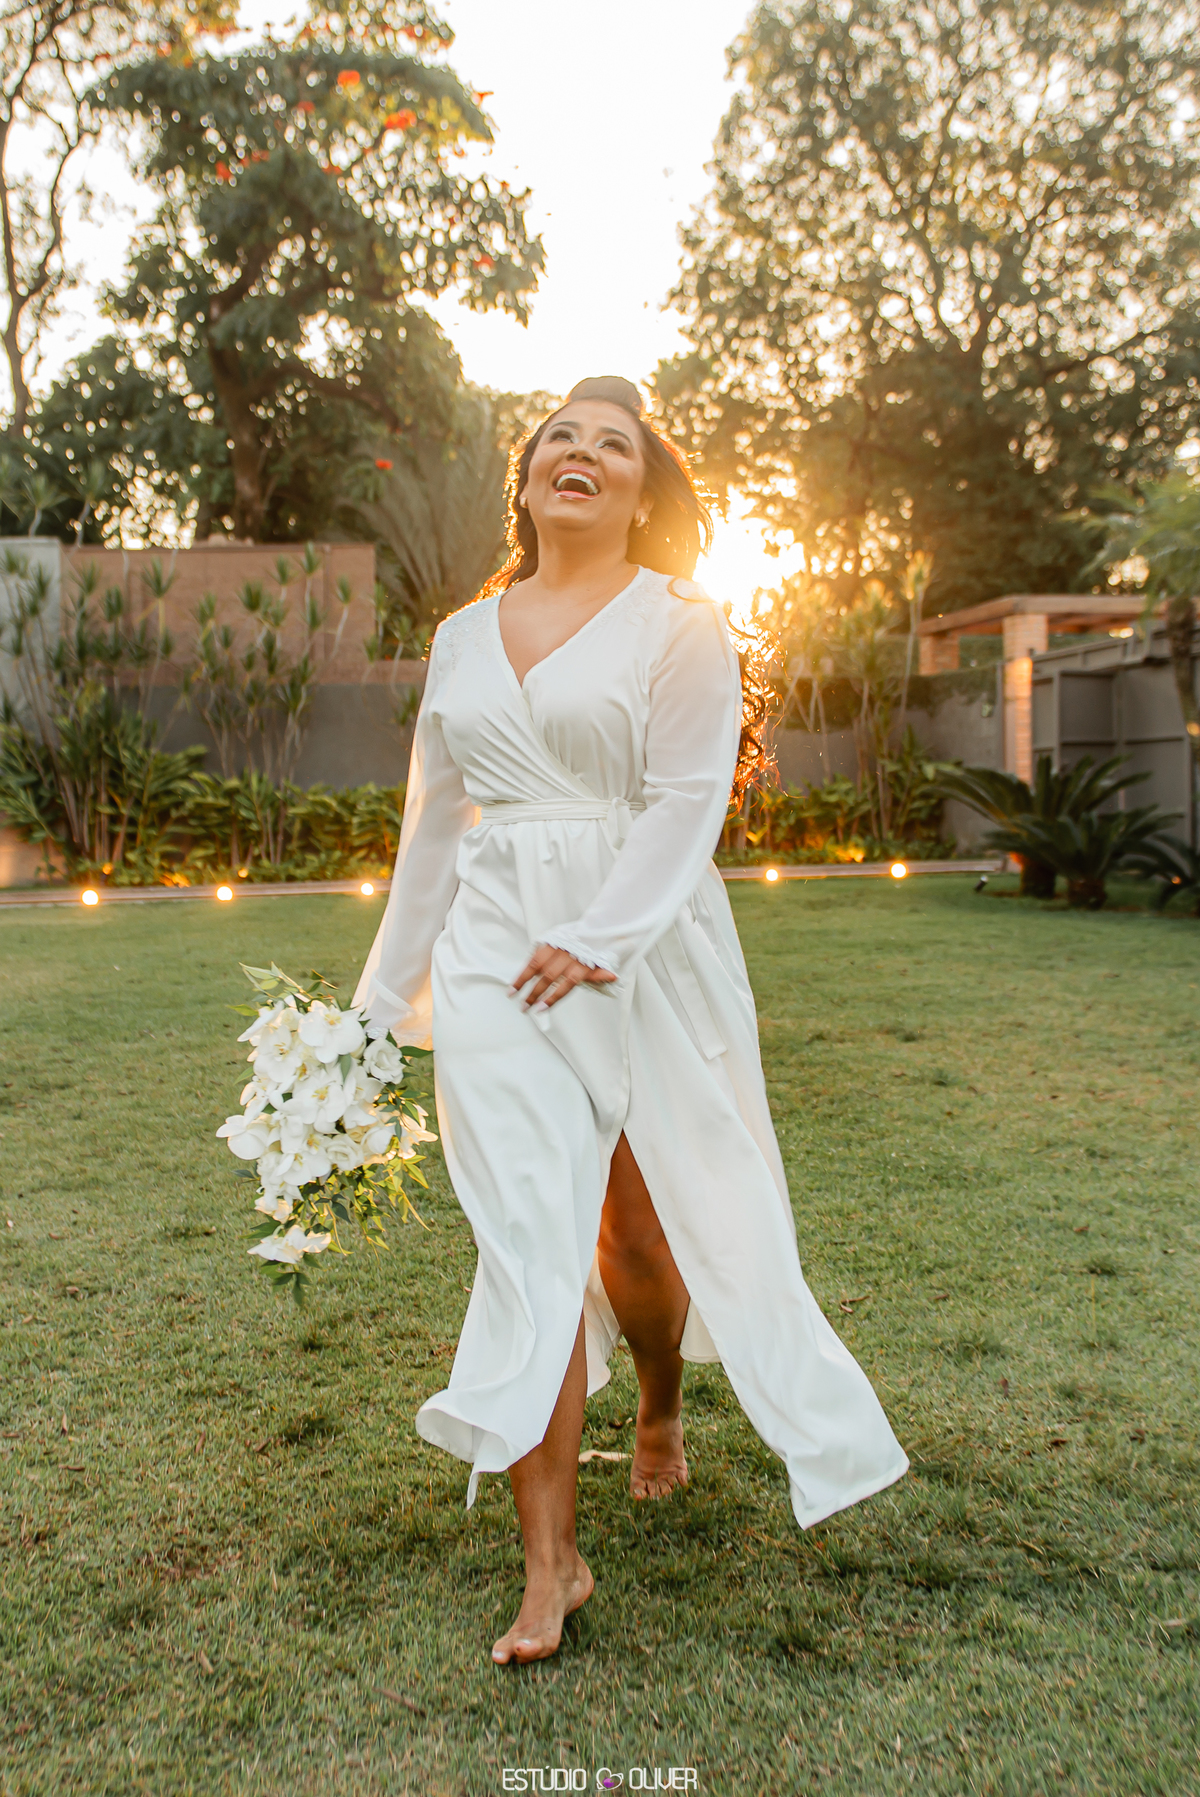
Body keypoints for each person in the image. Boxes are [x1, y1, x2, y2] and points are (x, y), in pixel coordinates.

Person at [354, 376, 908, 1666]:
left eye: (614, 445)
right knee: (531, 1243)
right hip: (496, 956)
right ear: (529, 479)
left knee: (643, 1235)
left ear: (644, 493)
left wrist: (600, 938)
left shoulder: (680, 621)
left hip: (642, 944)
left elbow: (685, 798)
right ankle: (550, 1565)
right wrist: (381, 1006)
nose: (582, 453)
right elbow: (432, 827)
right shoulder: (460, 638)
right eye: (561, 436)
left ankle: (659, 1404)